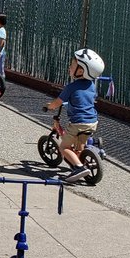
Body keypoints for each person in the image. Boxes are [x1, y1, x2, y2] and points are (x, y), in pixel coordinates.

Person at [43, 48, 105, 183]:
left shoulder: (71, 87)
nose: (69, 68)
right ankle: (79, 159)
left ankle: (79, 168)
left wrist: (50, 106)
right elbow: (87, 98)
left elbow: (57, 103)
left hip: (78, 123)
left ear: (81, 71)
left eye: (72, 66)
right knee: (79, 143)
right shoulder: (92, 85)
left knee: (63, 147)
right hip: (92, 122)